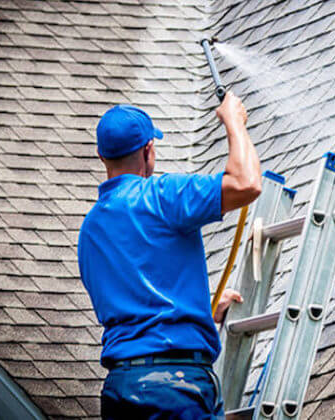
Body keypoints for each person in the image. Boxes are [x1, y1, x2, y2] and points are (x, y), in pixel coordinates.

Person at [78, 92, 261, 419]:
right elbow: (246, 184)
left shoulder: (90, 230)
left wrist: (201, 313)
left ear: (101, 155)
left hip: (119, 390)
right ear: (149, 150)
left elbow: (137, 298)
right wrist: (234, 122)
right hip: (176, 389)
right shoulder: (163, 196)